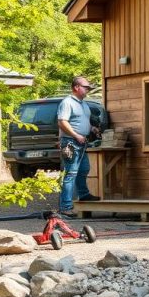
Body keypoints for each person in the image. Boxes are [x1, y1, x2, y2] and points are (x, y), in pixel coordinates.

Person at [58, 76, 100, 217]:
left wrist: (92, 128)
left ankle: (83, 194)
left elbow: (82, 121)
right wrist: (76, 135)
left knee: (84, 169)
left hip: (81, 142)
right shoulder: (67, 102)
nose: (88, 90)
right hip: (71, 142)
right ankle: (65, 206)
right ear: (76, 87)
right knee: (71, 174)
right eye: (86, 87)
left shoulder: (83, 104)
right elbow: (62, 122)